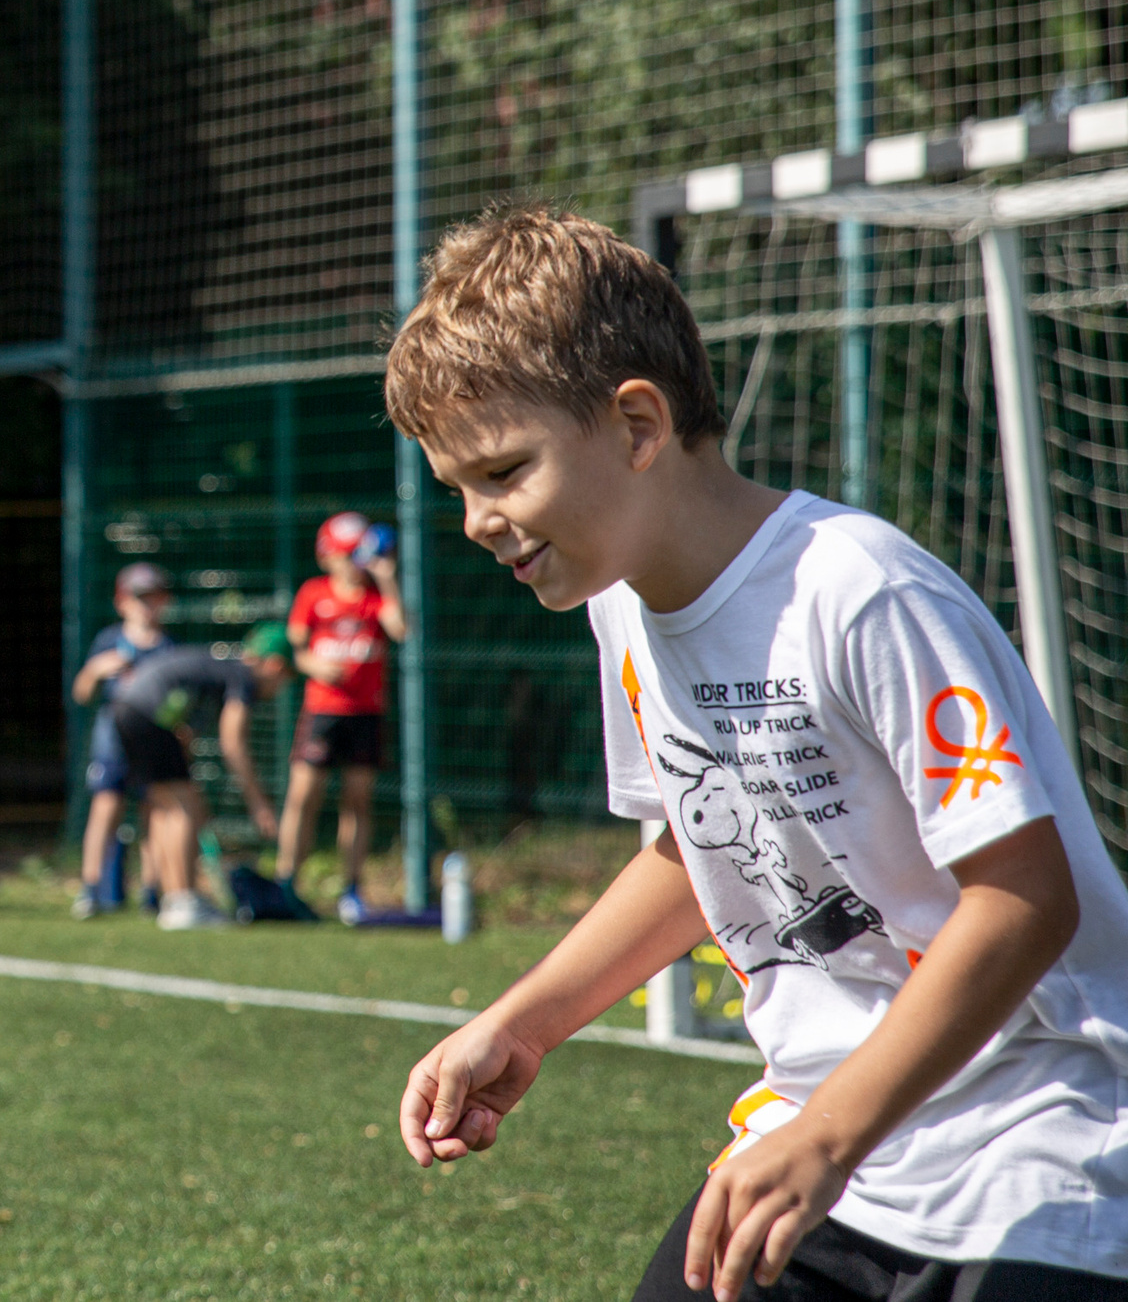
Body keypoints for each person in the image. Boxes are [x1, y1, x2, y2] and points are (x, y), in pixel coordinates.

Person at [387, 205, 1128, 1302]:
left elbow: (1022, 903)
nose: (475, 520)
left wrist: (830, 1135)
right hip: (824, 1142)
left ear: (637, 425)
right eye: (458, 489)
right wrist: (521, 1024)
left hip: (1041, 1137)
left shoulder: (858, 590)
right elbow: (694, 855)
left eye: (501, 472)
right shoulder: (623, 611)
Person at [271, 511, 407, 925]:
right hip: (322, 712)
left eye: (359, 554)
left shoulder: (376, 596)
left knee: (357, 802)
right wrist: (315, 665)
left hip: (365, 714)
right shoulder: (313, 594)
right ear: (327, 556)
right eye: (347, 554)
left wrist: (386, 579)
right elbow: (295, 648)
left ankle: (352, 890)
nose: (355, 562)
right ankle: (286, 882)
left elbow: (400, 631)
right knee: (302, 797)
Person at [105, 629, 289, 930]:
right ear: (275, 666)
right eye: (284, 681)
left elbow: (184, 725)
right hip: (148, 710)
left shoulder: (218, 669)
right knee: (185, 806)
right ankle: (184, 900)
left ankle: (173, 899)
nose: (278, 689)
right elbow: (233, 742)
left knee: (167, 805)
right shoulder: (242, 678)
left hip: (126, 706)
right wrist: (258, 803)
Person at [69, 562, 176, 919]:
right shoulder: (108, 641)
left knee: (155, 813)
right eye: (138, 597)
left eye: (153, 597)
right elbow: (81, 692)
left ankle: (152, 892)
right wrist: (96, 670)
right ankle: (90, 889)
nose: (146, 604)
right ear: (122, 602)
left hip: (153, 740)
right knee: (105, 808)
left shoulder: (168, 649)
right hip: (112, 739)